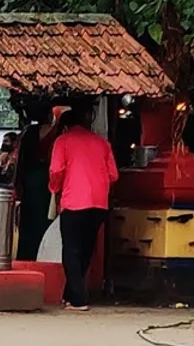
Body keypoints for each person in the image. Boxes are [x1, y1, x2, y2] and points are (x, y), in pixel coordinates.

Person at [48, 105, 118, 312]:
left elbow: (56, 169)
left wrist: (54, 188)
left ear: (64, 125)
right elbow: (113, 175)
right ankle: (71, 295)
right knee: (86, 250)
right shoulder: (102, 143)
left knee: (71, 249)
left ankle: (78, 300)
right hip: (98, 203)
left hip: (73, 201)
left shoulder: (63, 141)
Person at [16, 106, 62, 260]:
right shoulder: (56, 133)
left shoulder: (29, 132)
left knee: (28, 220)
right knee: (45, 218)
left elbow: (20, 159)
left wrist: (18, 182)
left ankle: (26, 255)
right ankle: (41, 254)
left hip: (29, 179)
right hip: (46, 179)